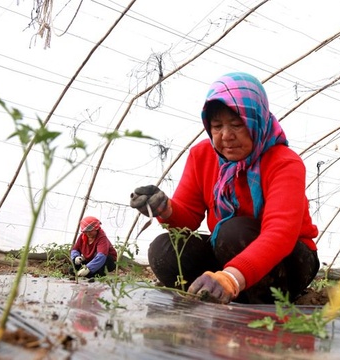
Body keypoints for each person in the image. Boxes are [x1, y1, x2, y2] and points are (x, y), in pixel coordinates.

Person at [130, 72, 319, 304]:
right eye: (217, 126)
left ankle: (255, 297)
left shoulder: (284, 163)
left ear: (256, 120)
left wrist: (231, 277)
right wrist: (164, 209)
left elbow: (279, 234)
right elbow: (188, 218)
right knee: (166, 250)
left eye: (237, 125)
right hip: (227, 251)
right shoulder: (202, 156)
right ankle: (207, 293)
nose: (226, 136)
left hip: (289, 259)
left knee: (233, 233)